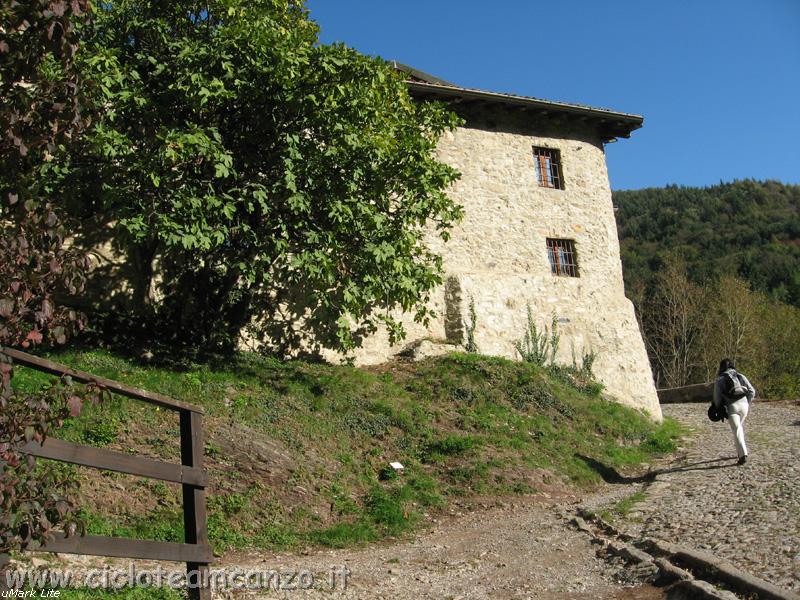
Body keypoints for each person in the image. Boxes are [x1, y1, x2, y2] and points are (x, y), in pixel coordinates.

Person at [712, 358, 756, 465]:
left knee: (737, 430)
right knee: (739, 429)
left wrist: (717, 407)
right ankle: (740, 451)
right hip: (744, 406)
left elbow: (717, 397)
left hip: (732, 406)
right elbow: (752, 391)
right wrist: (746, 402)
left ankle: (743, 455)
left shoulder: (720, 379)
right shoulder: (740, 376)